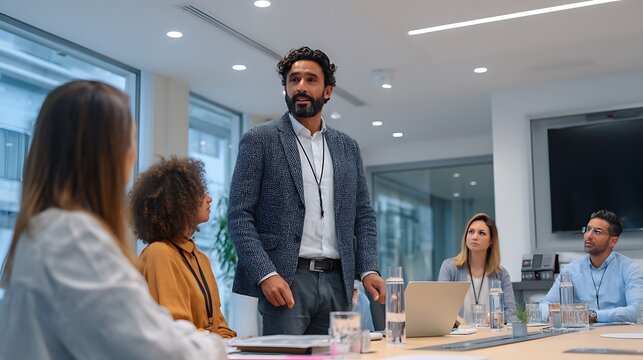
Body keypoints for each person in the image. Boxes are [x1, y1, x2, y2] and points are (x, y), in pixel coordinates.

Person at [0, 80, 225, 359]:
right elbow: (153, 349)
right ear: (109, 154)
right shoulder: (73, 238)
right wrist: (215, 345)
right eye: (130, 140)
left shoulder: (45, 231)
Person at [228, 46, 386, 335]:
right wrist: (266, 273)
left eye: (311, 80)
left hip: (338, 282)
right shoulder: (259, 140)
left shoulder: (347, 147)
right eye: (293, 80)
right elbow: (240, 217)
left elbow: (363, 216)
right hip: (285, 280)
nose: (300, 86)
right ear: (285, 89)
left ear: (327, 91)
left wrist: (369, 269)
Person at [131, 157, 236, 338]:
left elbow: (219, 325)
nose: (209, 199)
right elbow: (177, 329)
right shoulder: (159, 254)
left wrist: (236, 344)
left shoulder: (200, 258)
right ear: (180, 202)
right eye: (202, 193)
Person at [539, 209, 643, 323]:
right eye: (588, 230)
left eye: (597, 231)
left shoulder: (629, 269)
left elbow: (638, 311)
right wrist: (554, 315)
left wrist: (592, 315)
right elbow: (545, 304)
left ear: (613, 241)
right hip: (581, 336)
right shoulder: (571, 270)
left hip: (617, 335)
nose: (588, 236)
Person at [438, 213, 516, 325]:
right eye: (471, 232)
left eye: (482, 233)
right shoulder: (449, 267)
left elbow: (512, 313)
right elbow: (440, 307)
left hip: (490, 337)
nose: (474, 237)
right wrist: (459, 323)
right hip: (458, 336)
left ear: (491, 241)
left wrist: (495, 317)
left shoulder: (501, 274)